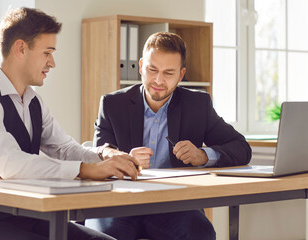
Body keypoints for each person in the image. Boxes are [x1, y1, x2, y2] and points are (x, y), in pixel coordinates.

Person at [0, 7, 141, 240]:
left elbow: (64, 149)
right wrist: (85, 170)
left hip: (29, 218)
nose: (52, 63)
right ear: (21, 48)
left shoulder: (34, 102)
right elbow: (11, 164)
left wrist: (104, 156)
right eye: (47, 52)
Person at [85, 32, 252, 240]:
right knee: (99, 236)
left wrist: (203, 155)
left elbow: (241, 148)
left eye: (168, 73)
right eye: (152, 69)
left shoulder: (197, 105)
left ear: (181, 75)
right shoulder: (112, 104)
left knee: (201, 233)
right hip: (119, 202)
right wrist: (123, 157)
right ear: (140, 66)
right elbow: (99, 151)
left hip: (174, 204)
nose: (158, 80)